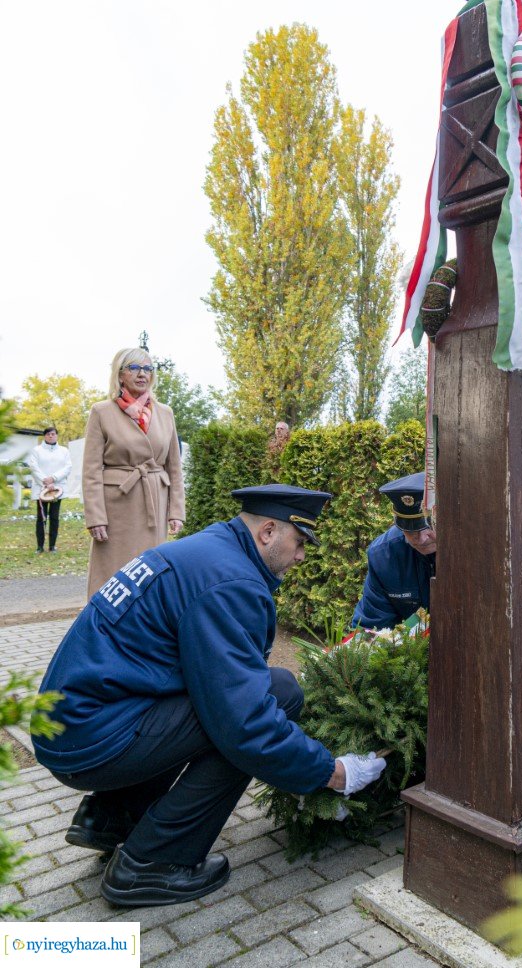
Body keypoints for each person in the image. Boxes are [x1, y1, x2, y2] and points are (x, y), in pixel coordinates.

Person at [32, 484, 386, 907]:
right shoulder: (229, 581)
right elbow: (245, 724)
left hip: (75, 725)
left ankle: (114, 816)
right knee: (266, 704)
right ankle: (152, 864)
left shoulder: (208, 551)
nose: (301, 557)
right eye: (299, 543)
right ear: (268, 532)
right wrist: (331, 772)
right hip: (93, 740)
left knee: (264, 692)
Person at [83, 347, 185, 597]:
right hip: (116, 506)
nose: (142, 374)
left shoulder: (165, 413)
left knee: (150, 570)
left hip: (155, 502)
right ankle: (103, 624)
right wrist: (95, 516)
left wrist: (176, 510)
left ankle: (146, 625)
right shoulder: (102, 411)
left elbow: (174, 467)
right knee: (112, 571)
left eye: (148, 368)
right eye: (135, 368)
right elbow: (91, 469)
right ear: (120, 375)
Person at [352, 472, 436, 630]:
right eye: (411, 530)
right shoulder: (383, 556)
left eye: (429, 526)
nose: (422, 538)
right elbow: (372, 625)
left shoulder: (473, 547)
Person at [26, 426, 72, 553]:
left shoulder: (64, 451)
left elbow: (68, 467)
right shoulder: (37, 450)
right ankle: (40, 546)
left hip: (57, 489)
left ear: (56, 435)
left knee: (54, 517)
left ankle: (52, 546)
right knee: (41, 517)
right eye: (48, 434)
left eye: (53, 434)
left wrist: (53, 478)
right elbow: (33, 467)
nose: (51, 436)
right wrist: (45, 481)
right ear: (44, 436)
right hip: (42, 488)